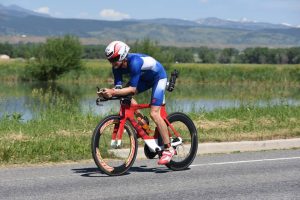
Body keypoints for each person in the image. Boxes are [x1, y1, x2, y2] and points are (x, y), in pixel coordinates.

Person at [99, 40, 175, 165]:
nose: (112, 62)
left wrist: (112, 92)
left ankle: (169, 149)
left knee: (155, 114)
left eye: (114, 59)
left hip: (158, 77)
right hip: (144, 79)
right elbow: (119, 90)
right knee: (125, 97)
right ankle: (142, 120)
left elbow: (132, 89)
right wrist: (108, 94)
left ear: (123, 55)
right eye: (110, 60)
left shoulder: (135, 62)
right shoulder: (116, 67)